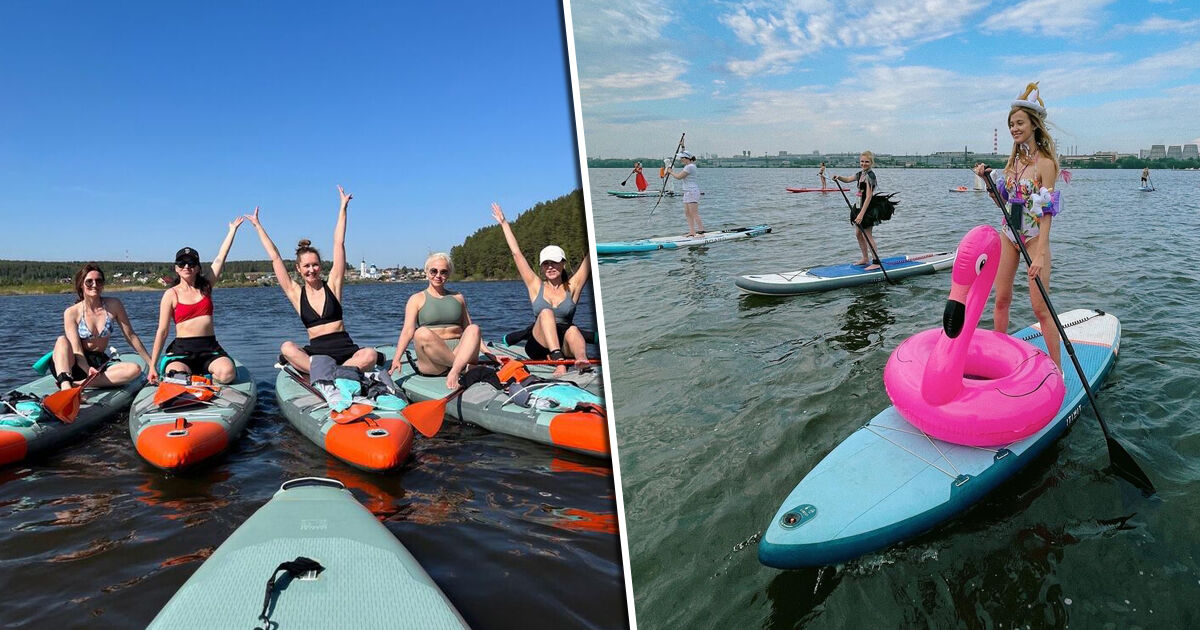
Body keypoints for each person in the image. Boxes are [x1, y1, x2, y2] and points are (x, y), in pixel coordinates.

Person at [973, 81, 1063, 373]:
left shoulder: (1045, 163)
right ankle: (997, 360)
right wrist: (989, 185)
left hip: (1035, 238)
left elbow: (1047, 210)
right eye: (1011, 124)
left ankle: (1058, 370)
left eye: (1019, 123)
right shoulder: (1012, 162)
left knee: (1040, 308)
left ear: (1034, 124)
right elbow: (1008, 202)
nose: (1014, 128)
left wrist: (1040, 253)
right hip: (1009, 234)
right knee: (1001, 299)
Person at [244, 186, 379, 372]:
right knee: (286, 347)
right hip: (317, 353)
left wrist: (343, 208)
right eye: (306, 266)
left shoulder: (333, 284)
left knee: (370, 354)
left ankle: (334, 372)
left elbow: (339, 243)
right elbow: (275, 257)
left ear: (321, 266)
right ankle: (335, 372)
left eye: (315, 265)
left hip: (346, 350)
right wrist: (258, 226)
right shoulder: (295, 293)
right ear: (298, 269)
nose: (311, 270)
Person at [491, 202, 592, 377]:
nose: (550, 267)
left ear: (563, 263)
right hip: (538, 344)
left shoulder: (573, 286)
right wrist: (504, 223)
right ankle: (558, 361)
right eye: (546, 263)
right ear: (541, 267)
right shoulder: (535, 285)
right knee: (546, 313)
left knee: (573, 330)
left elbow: (589, 259)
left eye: (554, 262)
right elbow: (517, 254)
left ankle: (582, 360)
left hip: (565, 343)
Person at [147, 221, 244, 384]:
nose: (186, 266)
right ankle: (188, 376)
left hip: (210, 349)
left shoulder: (206, 287)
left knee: (228, 374)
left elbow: (221, 258)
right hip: (182, 351)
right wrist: (152, 366)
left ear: (198, 268)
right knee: (176, 377)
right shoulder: (170, 294)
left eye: (191, 263)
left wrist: (232, 230)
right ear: (176, 268)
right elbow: (162, 331)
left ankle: (202, 377)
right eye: (181, 263)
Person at [388, 253, 487, 390]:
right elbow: (407, 331)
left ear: (449, 274)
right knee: (421, 332)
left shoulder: (458, 297)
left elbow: (470, 330)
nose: (438, 275)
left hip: (460, 351)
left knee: (474, 328)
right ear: (427, 272)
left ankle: (455, 370)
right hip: (433, 361)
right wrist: (396, 358)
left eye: (443, 272)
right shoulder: (416, 299)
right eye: (433, 271)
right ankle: (462, 368)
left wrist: (488, 353)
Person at [49, 264, 152, 391]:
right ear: (81, 284)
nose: (94, 285)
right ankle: (65, 385)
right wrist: (87, 370)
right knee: (61, 340)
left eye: (99, 281)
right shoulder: (71, 312)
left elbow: (131, 336)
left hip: (98, 362)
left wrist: (151, 364)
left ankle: (79, 384)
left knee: (134, 369)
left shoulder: (114, 305)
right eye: (89, 282)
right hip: (74, 363)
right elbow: (76, 350)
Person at [830, 151, 893, 271]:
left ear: (871, 163)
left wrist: (861, 214)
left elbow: (869, 196)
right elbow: (848, 179)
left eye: (867, 162)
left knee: (868, 235)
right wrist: (839, 178)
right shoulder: (860, 174)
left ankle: (876, 262)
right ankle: (865, 258)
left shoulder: (870, 176)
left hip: (867, 208)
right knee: (858, 234)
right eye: (862, 161)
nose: (864, 164)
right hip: (858, 206)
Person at [665, 151, 704, 236]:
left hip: (692, 191)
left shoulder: (690, 167)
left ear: (686, 159)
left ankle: (701, 231)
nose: (680, 159)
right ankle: (692, 232)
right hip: (686, 191)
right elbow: (685, 151)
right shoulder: (688, 166)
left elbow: (679, 177)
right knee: (687, 213)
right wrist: (682, 146)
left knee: (694, 213)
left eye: (682, 158)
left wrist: (670, 172)